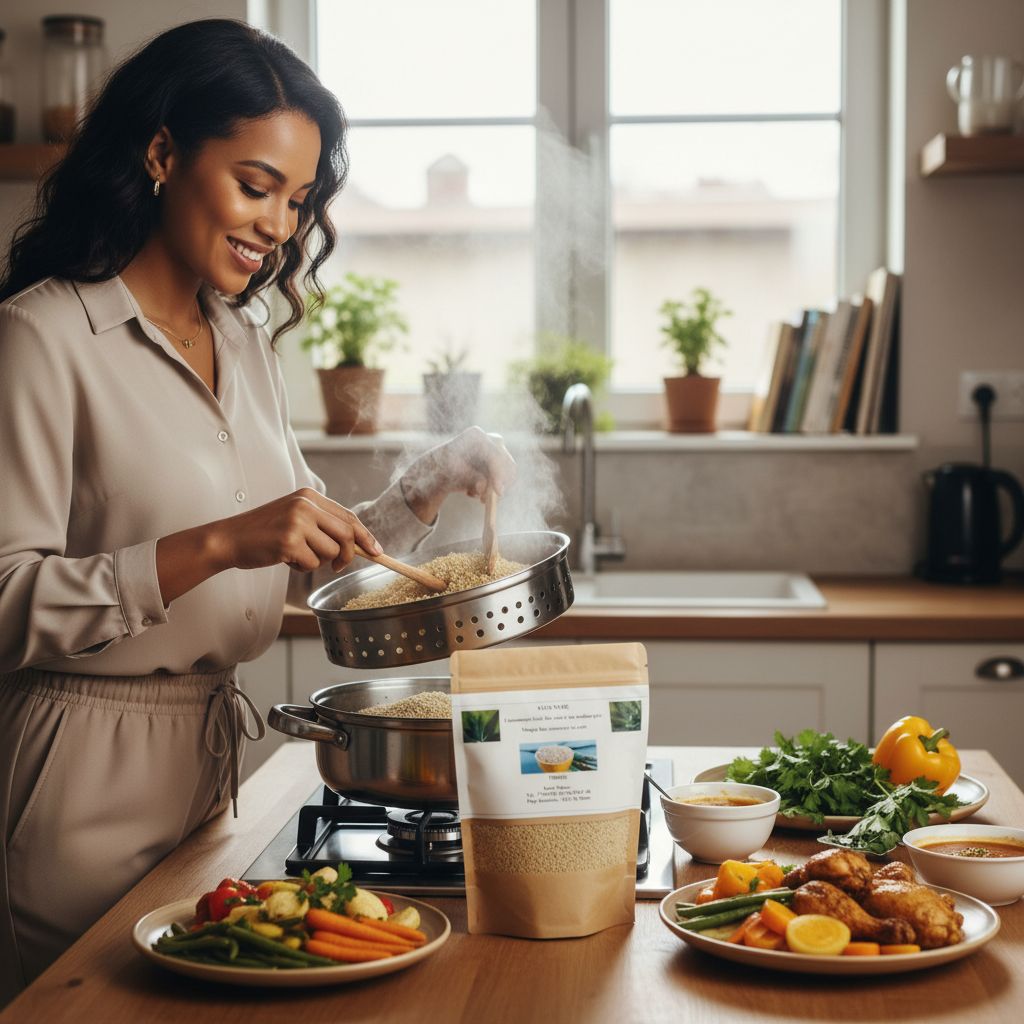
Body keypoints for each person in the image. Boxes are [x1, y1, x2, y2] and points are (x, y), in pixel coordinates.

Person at [0, 18, 514, 1002]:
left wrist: (423, 484)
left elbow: (305, 543)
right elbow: (6, 600)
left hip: (206, 765)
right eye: (256, 184)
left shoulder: (240, 339)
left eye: (299, 198)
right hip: (76, 776)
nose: (281, 226)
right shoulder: (39, 337)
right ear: (161, 154)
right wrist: (224, 539)